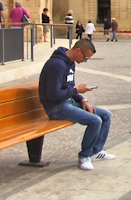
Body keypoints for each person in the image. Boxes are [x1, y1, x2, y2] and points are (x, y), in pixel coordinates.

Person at [38, 39, 114, 171]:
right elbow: (53, 94)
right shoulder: (56, 65)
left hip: (68, 102)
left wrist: (82, 100)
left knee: (105, 115)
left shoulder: (70, 63)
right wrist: (77, 90)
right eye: (85, 57)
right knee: (94, 120)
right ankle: (84, 156)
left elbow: (69, 87)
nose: (85, 61)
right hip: (55, 107)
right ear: (77, 50)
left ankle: (96, 151)